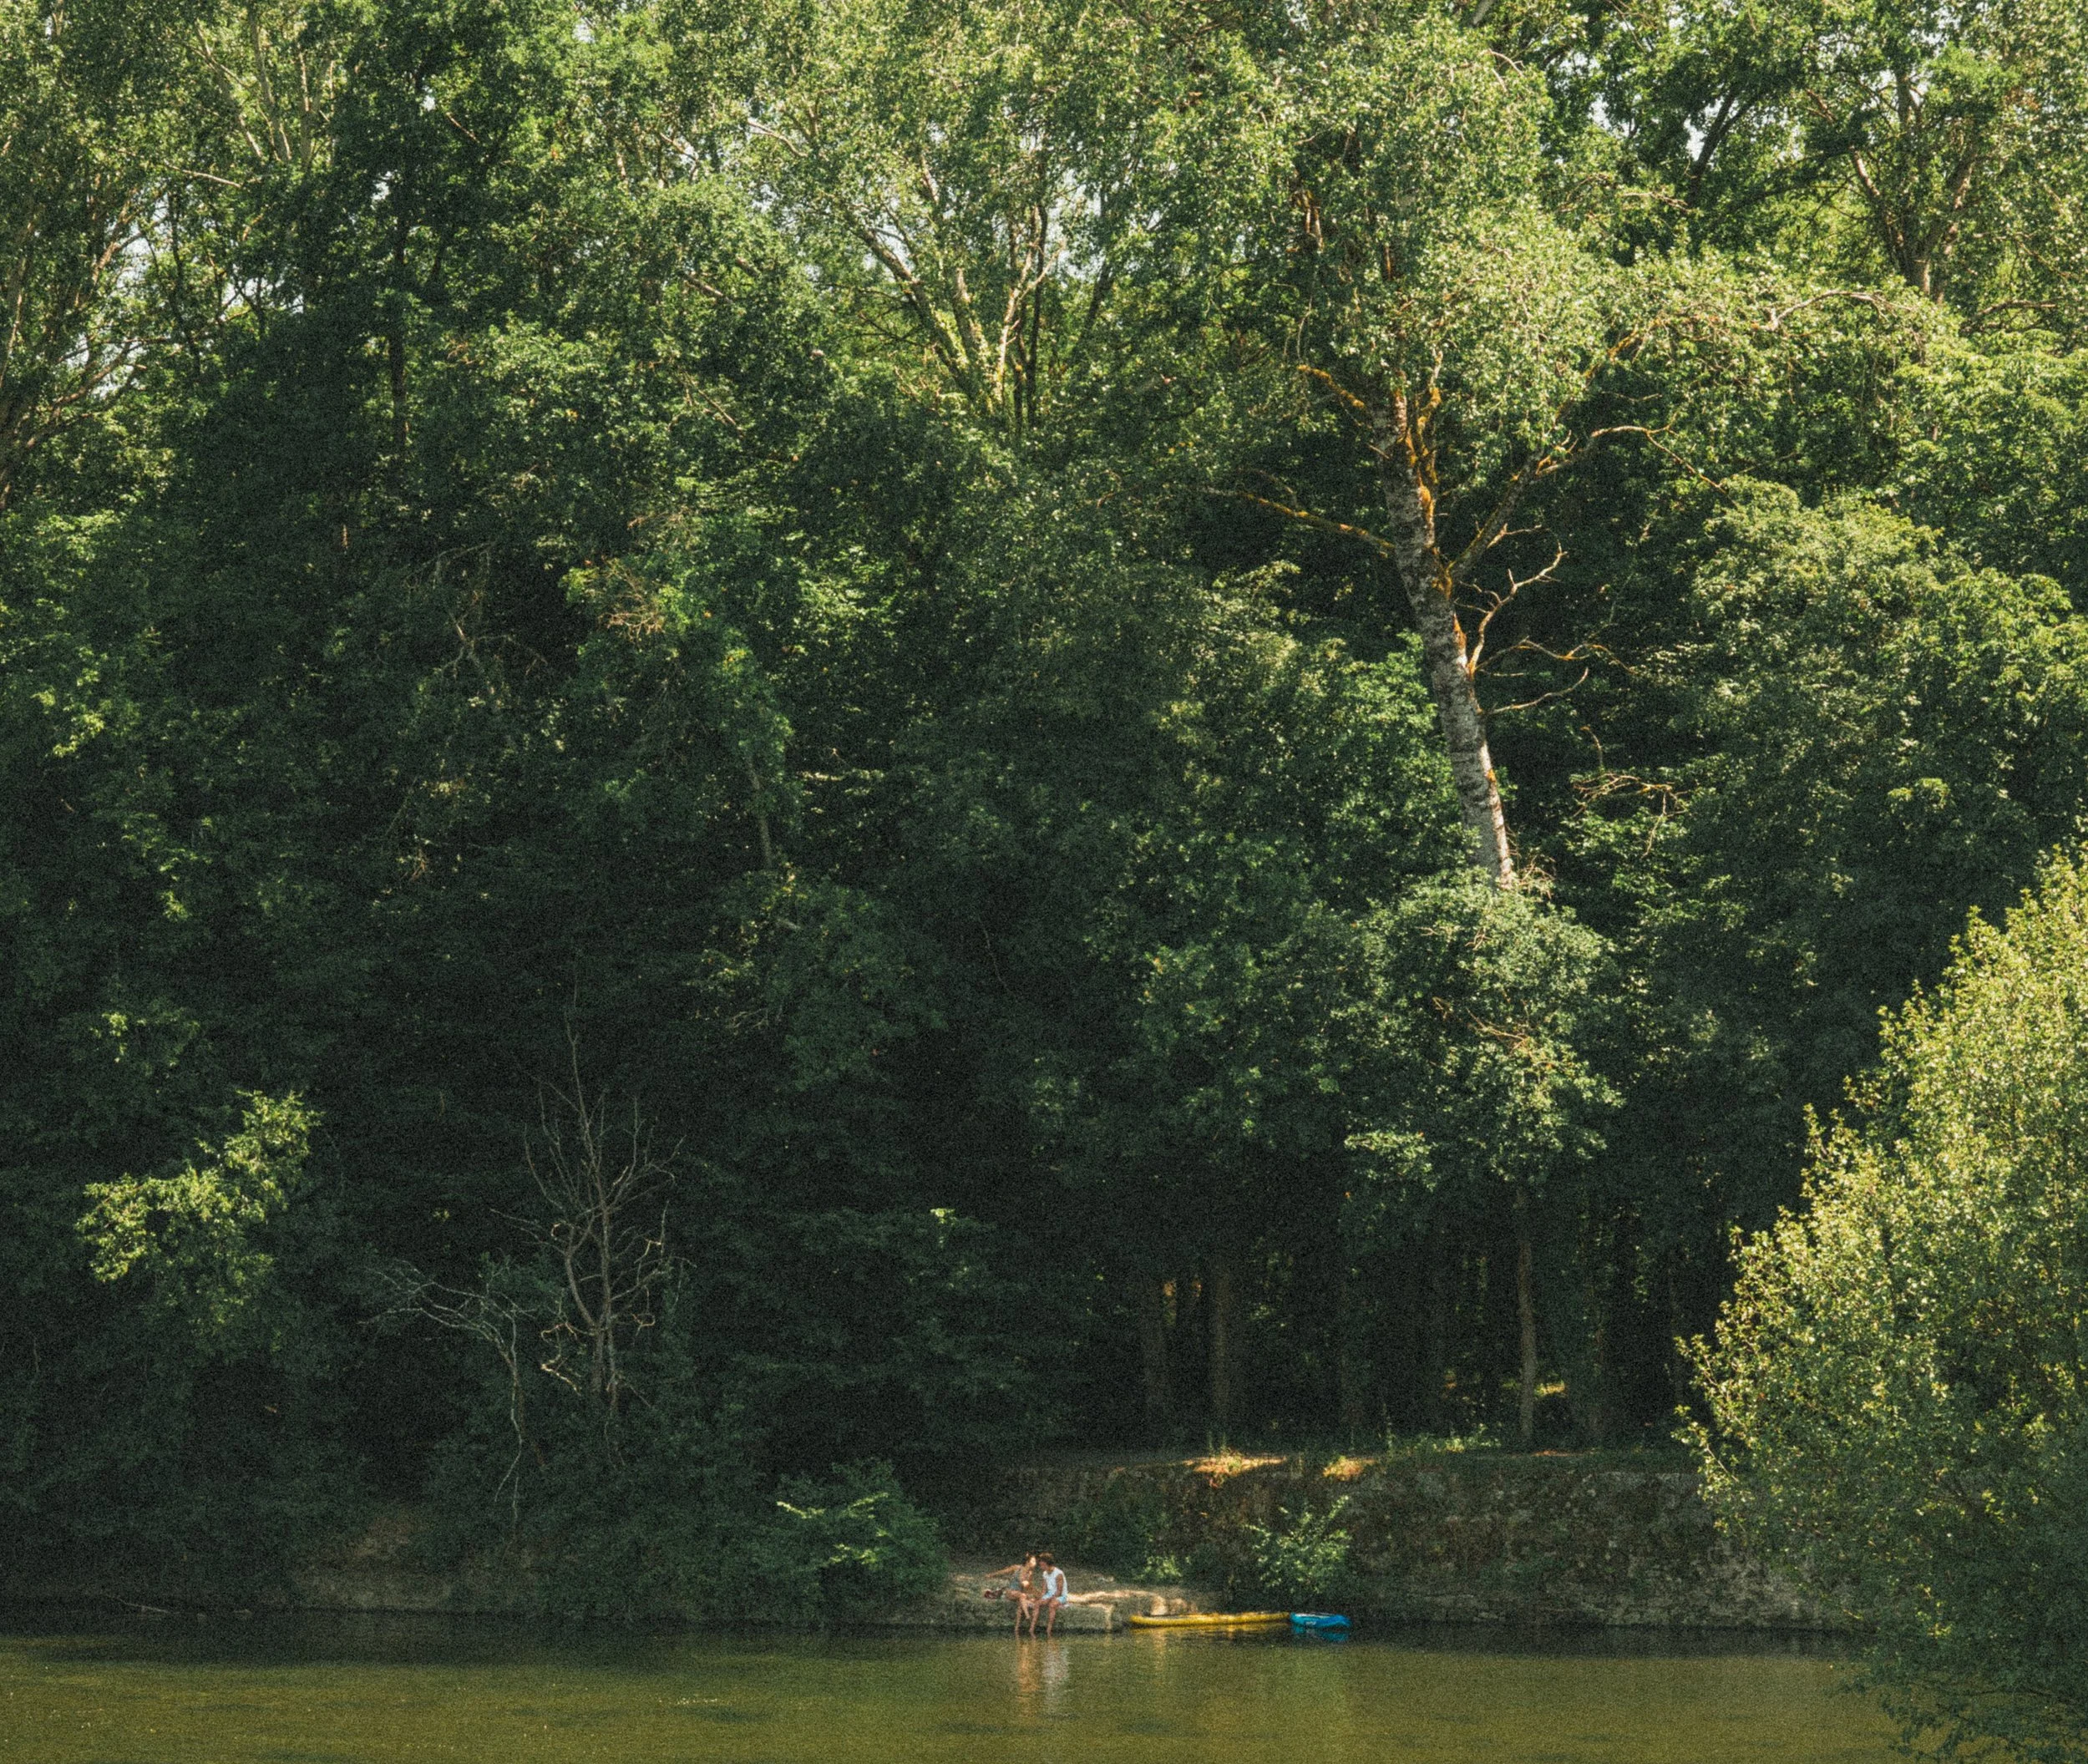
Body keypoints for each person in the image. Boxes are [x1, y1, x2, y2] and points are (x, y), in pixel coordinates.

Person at [986, 1552, 1040, 1634]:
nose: (1035, 1564)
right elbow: (1004, 1571)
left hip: (1019, 1594)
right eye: (1033, 1561)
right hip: (1010, 1592)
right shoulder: (1017, 1568)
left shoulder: (1030, 1574)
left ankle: (1016, 1629)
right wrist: (991, 1575)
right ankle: (1028, 1616)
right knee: (1022, 1596)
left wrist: (1039, 1594)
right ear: (1027, 1562)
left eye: (1035, 1562)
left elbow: (1030, 1587)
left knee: (1021, 1605)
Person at [1035, 1552, 1070, 1638]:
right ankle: (1032, 1628)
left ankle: (1049, 1629)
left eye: (1042, 1565)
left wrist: (1050, 1599)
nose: (1041, 1567)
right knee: (1037, 1603)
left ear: (1047, 1564)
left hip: (1061, 1596)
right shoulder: (1045, 1574)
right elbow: (1044, 1590)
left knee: (1051, 1605)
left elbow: (1059, 1591)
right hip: (1049, 1594)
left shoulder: (1058, 1574)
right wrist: (1042, 1598)